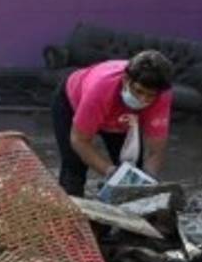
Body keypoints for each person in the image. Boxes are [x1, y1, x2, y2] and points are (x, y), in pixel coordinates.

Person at [51, 50, 174, 197]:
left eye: (150, 96)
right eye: (138, 91)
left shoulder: (162, 95)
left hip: (120, 120)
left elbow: (155, 150)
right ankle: (70, 213)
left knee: (133, 171)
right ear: (125, 79)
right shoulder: (100, 90)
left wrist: (148, 179)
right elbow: (79, 140)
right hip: (73, 102)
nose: (143, 100)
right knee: (74, 167)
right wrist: (109, 171)